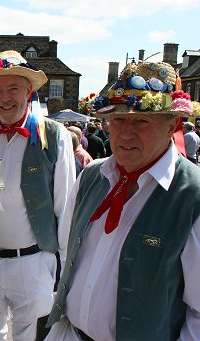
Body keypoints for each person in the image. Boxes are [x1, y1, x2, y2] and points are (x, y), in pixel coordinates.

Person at [45, 61, 200, 340]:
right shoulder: (93, 175)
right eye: (117, 119)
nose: (126, 132)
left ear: (172, 125)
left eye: (142, 120)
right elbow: (70, 251)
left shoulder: (192, 195)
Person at [0, 50, 76, 340]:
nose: (4, 98)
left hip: (32, 263)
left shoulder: (53, 135)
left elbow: (66, 206)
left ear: (29, 91)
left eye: (13, 89)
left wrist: (63, 267)